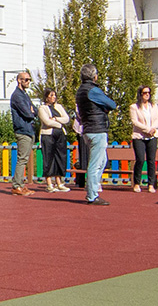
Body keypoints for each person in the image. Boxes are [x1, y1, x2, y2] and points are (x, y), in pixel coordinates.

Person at [75, 65, 117, 205]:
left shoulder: (80, 91)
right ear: (94, 76)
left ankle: (92, 187)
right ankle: (92, 194)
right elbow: (111, 104)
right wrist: (104, 108)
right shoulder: (93, 90)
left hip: (87, 128)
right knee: (95, 163)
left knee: (102, 161)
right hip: (97, 129)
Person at [8, 70, 37, 196]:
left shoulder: (25, 95)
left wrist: (33, 111)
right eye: (26, 79)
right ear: (19, 80)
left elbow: (34, 110)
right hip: (22, 129)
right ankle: (16, 186)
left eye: (29, 79)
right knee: (22, 159)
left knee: (25, 159)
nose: (28, 82)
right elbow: (28, 113)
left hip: (29, 129)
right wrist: (32, 112)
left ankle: (20, 184)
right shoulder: (17, 96)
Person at [129, 85, 158, 193]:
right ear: (140, 94)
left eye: (148, 92)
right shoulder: (134, 107)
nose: (147, 94)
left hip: (152, 136)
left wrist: (153, 129)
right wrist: (147, 129)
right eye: (145, 92)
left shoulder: (153, 106)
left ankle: (151, 184)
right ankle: (137, 183)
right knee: (140, 159)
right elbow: (135, 122)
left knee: (151, 160)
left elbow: (157, 119)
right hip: (139, 136)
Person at [38, 89, 71, 192]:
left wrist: (56, 119)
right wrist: (59, 124)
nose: (54, 97)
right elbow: (47, 122)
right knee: (49, 158)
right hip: (48, 135)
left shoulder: (59, 107)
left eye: (55, 95)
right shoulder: (42, 108)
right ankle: (49, 184)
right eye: (51, 95)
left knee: (60, 157)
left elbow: (66, 119)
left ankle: (59, 183)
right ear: (46, 97)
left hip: (60, 135)